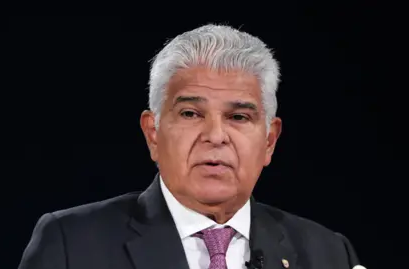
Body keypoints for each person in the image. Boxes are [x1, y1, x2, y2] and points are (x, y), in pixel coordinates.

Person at [18, 24, 364, 269]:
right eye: (190, 113)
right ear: (153, 133)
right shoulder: (71, 245)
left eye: (239, 117)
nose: (215, 135)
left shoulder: (329, 254)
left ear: (269, 140)